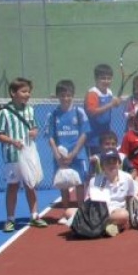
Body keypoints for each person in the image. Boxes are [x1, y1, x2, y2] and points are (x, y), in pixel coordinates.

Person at [0, 77, 46, 232]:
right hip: (12, 156)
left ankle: (35, 215)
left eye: (28, 92)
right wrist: (12, 141)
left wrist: (34, 132)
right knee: (13, 186)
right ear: (13, 93)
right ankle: (10, 219)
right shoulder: (4, 112)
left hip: (28, 155)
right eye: (23, 91)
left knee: (31, 185)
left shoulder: (30, 110)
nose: (27, 94)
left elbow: (36, 128)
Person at [47, 79, 89, 215]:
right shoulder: (53, 115)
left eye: (68, 95)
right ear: (58, 96)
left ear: (73, 95)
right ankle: (66, 211)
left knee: (80, 182)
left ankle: (81, 210)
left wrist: (73, 153)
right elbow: (50, 138)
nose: (65, 98)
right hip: (60, 156)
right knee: (64, 183)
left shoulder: (79, 112)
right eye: (62, 95)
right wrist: (57, 155)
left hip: (77, 155)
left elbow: (83, 135)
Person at [86, 149, 138, 236]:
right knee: (69, 212)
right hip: (99, 211)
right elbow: (89, 201)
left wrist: (131, 217)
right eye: (108, 162)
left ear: (119, 163)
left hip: (117, 212)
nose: (111, 165)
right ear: (102, 166)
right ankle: (110, 226)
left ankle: (100, 226)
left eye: (114, 161)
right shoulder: (94, 180)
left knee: (124, 215)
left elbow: (130, 197)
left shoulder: (127, 178)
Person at [84, 64, 122, 159]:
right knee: (95, 164)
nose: (106, 81)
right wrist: (111, 104)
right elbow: (92, 112)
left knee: (106, 162)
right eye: (103, 78)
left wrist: (116, 103)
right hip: (93, 138)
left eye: (108, 78)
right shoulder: (92, 93)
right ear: (96, 79)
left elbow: (111, 105)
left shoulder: (109, 92)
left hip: (105, 137)